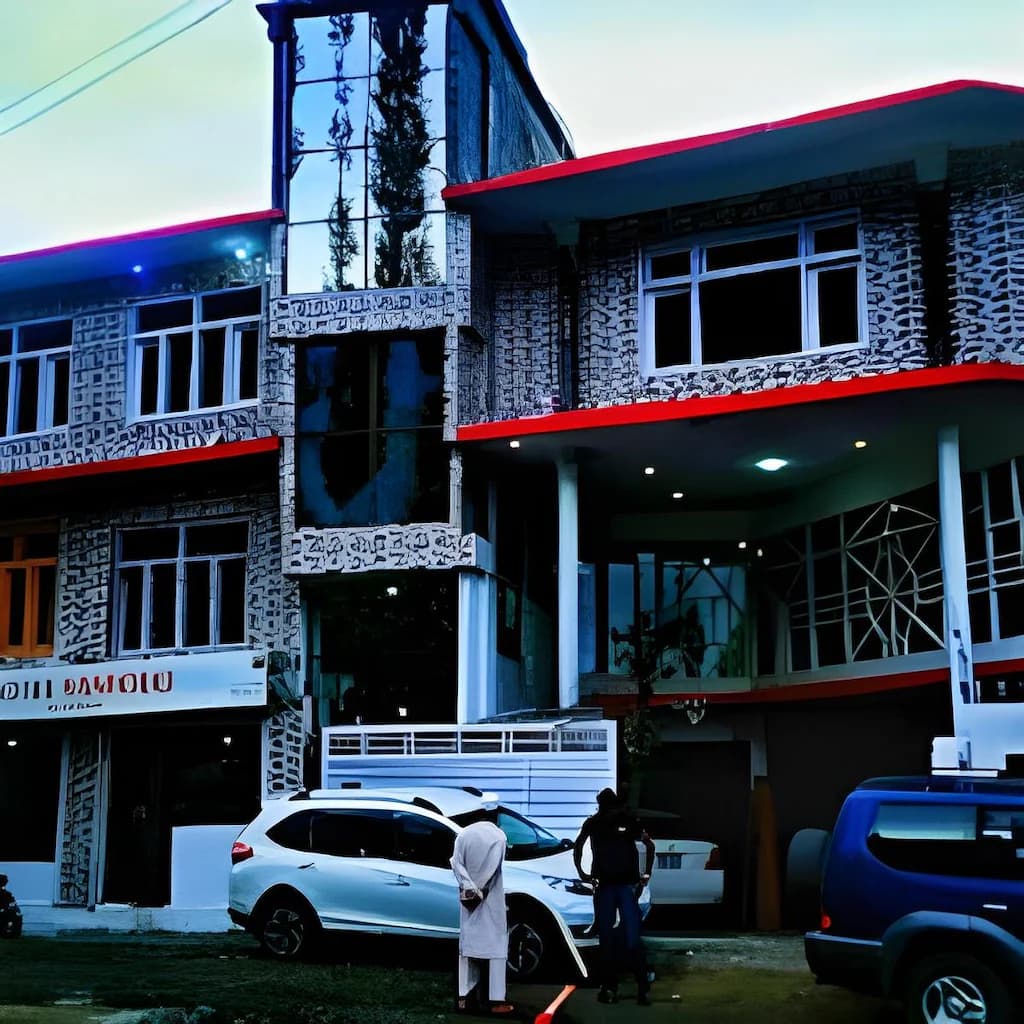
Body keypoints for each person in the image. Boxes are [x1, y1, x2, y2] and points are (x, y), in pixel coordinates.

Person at [573, 788, 655, 1006]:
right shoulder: (598, 822)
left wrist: (645, 875)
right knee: (623, 938)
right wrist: (584, 874)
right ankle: (629, 987)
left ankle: (622, 987)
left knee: (620, 939)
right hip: (612, 886)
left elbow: (578, 847)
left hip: (618, 886)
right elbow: (578, 847)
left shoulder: (620, 821)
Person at [450, 818, 514, 1016]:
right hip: (491, 900)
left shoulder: (463, 836)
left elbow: (456, 863)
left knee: (468, 950)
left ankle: (464, 998)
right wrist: (482, 889)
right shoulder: (498, 837)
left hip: (468, 900)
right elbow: (494, 869)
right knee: (496, 948)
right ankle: (495, 1000)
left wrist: (470, 886)